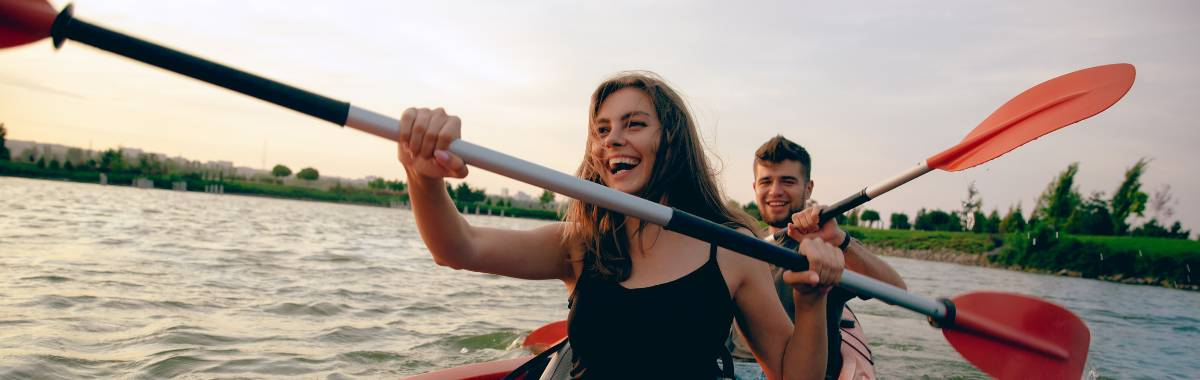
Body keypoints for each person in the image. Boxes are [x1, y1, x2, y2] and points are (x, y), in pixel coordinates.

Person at [397, 72, 844, 379]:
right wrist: (422, 176)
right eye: (602, 129)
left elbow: (789, 374)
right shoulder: (579, 244)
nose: (612, 139)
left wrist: (811, 299)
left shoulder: (729, 247)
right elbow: (459, 247)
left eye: (634, 124)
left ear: (670, 140)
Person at [731, 135, 907, 380]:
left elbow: (897, 291)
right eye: (766, 181)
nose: (775, 191)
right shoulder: (741, 243)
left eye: (787, 181)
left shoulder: (826, 247)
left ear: (808, 188)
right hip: (735, 368)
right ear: (754, 188)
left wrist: (840, 241)